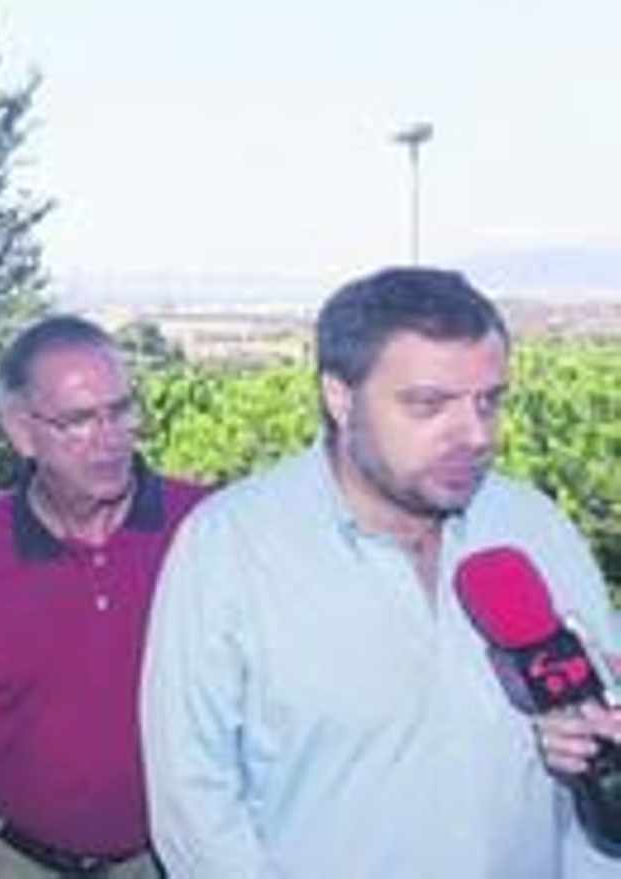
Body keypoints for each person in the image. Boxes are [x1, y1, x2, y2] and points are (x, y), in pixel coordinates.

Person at [139, 267, 621, 877]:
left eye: (489, 400)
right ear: (340, 399)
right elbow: (194, 802)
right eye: (429, 404)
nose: (476, 435)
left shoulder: (536, 525)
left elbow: (603, 733)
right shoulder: (228, 547)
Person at [0, 315, 209, 878]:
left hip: (164, 862)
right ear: (21, 433)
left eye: (120, 410)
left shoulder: (204, 529)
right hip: (4, 858)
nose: (109, 437)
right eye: (79, 420)